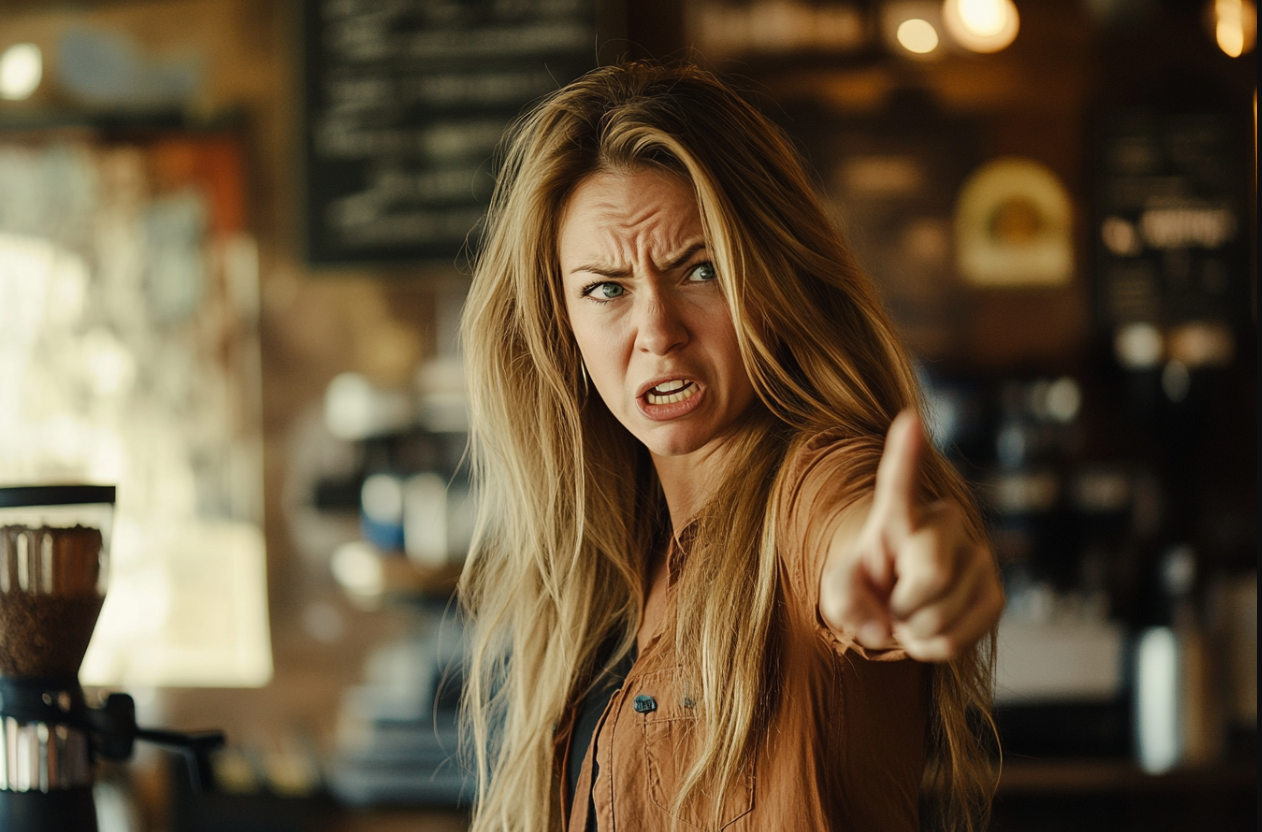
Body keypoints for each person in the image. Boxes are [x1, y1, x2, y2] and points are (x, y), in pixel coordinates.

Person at [459, 61, 1005, 832]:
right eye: (606, 288)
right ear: (561, 325)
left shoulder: (813, 485)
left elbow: (855, 536)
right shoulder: (605, 564)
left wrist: (913, 566)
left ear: (771, 280)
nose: (658, 331)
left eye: (700, 269)